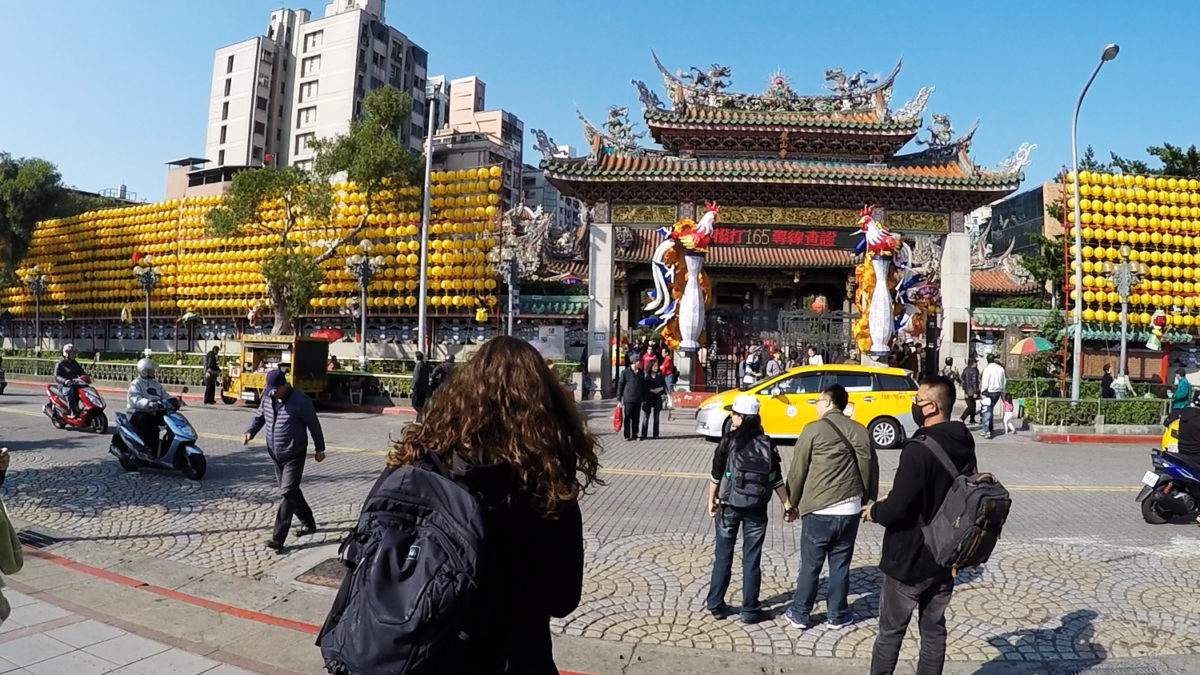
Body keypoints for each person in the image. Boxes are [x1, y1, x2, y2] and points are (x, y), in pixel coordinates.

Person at [375, 336, 598, 673]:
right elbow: (563, 599)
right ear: (543, 405)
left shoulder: (419, 461)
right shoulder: (545, 485)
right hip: (515, 655)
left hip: (421, 653)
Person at [863, 376, 977, 675]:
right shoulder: (963, 440)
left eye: (918, 399)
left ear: (932, 406)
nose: (913, 403)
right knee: (934, 631)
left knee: (890, 632)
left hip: (910, 558)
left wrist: (875, 511)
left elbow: (898, 509)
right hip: (946, 552)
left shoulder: (918, 449)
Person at [783, 384, 878, 631]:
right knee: (840, 564)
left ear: (827, 402)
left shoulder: (813, 430)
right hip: (849, 509)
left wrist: (790, 503)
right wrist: (866, 500)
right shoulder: (860, 431)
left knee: (811, 565)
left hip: (818, 509)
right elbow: (869, 468)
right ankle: (837, 614)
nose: (815, 406)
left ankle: (801, 613)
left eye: (817, 401)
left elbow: (798, 470)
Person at [705, 394, 789, 624]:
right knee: (752, 559)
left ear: (741, 417)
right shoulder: (767, 442)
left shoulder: (728, 440)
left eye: (734, 413)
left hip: (729, 505)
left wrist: (710, 500)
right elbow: (776, 478)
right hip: (756, 508)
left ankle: (716, 604)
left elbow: (716, 475)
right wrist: (787, 504)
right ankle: (750, 610)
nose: (731, 416)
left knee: (723, 556)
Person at [244, 369, 326, 552]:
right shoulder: (267, 398)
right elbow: (260, 417)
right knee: (292, 491)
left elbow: (314, 424)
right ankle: (309, 523)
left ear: (284, 386)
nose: (272, 393)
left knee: (287, 493)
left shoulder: (300, 401)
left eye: (275, 389)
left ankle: (278, 538)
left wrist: (320, 448)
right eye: (269, 390)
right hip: (275, 454)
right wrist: (250, 431)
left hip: (294, 453)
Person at [127, 358, 169, 457]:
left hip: (153, 411)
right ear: (144, 372)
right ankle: (149, 449)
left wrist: (173, 400)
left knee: (170, 421)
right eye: (151, 370)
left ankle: (166, 448)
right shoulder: (136, 384)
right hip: (137, 412)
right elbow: (135, 399)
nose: (153, 372)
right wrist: (148, 403)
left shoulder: (156, 384)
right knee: (151, 427)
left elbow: (164, 395)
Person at [54, 344, 88, 415]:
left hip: (74, 384)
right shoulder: (60, 364)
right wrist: (65, 381)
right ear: (66, 354)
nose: (73, 355)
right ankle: (71, 410)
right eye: (71, 353)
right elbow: (57, 376)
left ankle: (83, 407)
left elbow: (81, 372)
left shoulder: (75, 363)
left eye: (74, 353)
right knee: (70, 391)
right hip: (64, 386)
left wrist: (86, 377)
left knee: (85, 390)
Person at [979, 354, 1007, 439]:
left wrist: (983, 391)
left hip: (989, 391)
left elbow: (985, 381)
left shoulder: (987, 369)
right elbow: (1004, 381)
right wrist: (1003, 392)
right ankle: (990, 428)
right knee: (990, 409)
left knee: (987, 411)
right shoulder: (1000, 369)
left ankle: (986, 430)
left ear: (987, 360)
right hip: (998, 392)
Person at [616, 359, 644, 441]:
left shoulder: (641, 373)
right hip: (628, 398)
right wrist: (619, 400)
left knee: (636, 418)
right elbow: (620, 385)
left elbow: (643, 385)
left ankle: (635, 434)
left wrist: (643, 398)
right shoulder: (625, 372)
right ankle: (627, 435)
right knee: (627, 417)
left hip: (638, 398)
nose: (640, 363)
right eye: (638, 361)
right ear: (634, 362)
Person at [640, 360, 667, 440]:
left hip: (657, 398)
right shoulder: (646, 376)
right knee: (646, 416)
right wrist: (651, 390)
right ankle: (643, 434)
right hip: (648, 398)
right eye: (654, 366)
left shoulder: (660, 375)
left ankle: (656, 434)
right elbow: (644, 387)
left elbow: (664, 386)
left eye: (657, 366)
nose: (656, 367)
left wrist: (658, 390)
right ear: (650, 367)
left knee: (656, 417)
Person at [411, 352, 432, 422]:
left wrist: (413, 387)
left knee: (415, 404)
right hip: (424, 389)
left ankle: (423, 417)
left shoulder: (418, 366)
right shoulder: (424, 365)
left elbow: (416, 378)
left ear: (416, 357)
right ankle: (419, 419)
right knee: (421, 404)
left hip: (418, 389)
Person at [959, 359, 980, 425]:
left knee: (973, 405)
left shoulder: (965, 370)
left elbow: (963, 380)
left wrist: (965, 391)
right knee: (971, 406)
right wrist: (976, 392)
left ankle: (972, 419)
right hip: (972, 391)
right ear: (973, 363)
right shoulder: (975, 371)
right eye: (975, 362)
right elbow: (974, 382)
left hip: (967, 390)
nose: (977, 364)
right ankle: (962, 418)